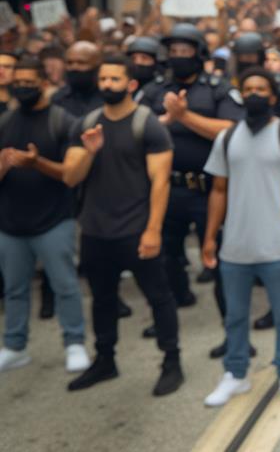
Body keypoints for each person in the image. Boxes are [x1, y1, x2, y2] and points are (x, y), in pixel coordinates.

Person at [62, 56, 183, 395]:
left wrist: (153, 230)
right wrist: (89, 151)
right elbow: (70, 177)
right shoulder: (85, 124)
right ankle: (105, 360)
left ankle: (172, 361)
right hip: (95, 232)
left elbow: (160, 183)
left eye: (115, 79)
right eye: (103, 79)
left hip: (136, 230)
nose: (107, 85)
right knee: (102, 299)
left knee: (159, 298)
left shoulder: (148, 124)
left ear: (130, 85)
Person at [201, 68, 280, 406]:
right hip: (235, 247)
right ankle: (235, 374)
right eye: (248, 88)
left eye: (261, 88)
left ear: (273, 96)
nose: (254, 93)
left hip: (278, 244)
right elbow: (218, 190)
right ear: (240, 95)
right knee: (234, 314)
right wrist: (208, 238)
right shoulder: (226, 138)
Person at [141, 23, 243, 354]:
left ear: (199, 55)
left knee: (217, 262)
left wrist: (184, 116)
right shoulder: (156, 89)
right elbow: (135, 125)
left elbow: (230, 129)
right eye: (173, 52)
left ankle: (233, 334)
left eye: (185, 52)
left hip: (208, 192)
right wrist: (166, 120)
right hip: (165, 190)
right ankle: (170, 312)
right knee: (166, 258)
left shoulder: (216, 89)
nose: (178, 57)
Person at [0, 57, 88, 374]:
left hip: (54, 221)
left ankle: (75, 342)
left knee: (64, 284)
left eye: (29, 82)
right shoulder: (5, 122)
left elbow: (70, 174)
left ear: (44, 83)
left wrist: (37, 163)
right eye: (18, 82)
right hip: (10, 224)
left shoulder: (62, 121)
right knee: (15, 289)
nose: (23, 87)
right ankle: (14, 345)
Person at [52, 41, 104, 118]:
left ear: (97, 65)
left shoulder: (109, 97)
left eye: (81, 63)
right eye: (70, 63)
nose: (74, 67)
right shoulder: (58, 98)